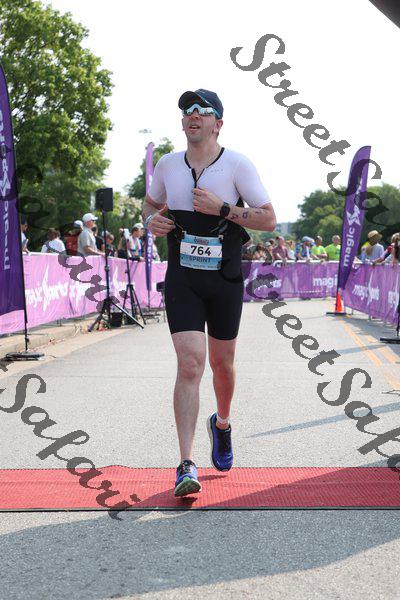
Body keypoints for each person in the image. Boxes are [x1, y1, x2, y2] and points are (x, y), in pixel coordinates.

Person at [142, 88, 276, 497]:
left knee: (222, 364)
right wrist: (151, 222)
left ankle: (222, 423)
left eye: (202, 110)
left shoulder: (237, 164)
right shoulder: (168, 165)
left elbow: (269, 219)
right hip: (183, 277)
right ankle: (186, 463)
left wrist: (222, 208)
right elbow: (149, 206)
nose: (193, 115)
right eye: (187, 110)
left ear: (218, 123)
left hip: (225, 278)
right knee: (190, 364)